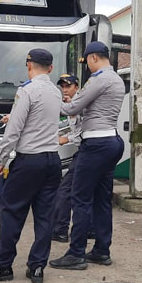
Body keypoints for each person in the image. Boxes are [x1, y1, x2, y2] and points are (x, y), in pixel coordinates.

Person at [0, 48, 62, 283]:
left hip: (29, 161)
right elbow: (42, 120)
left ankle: (3, 266)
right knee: (44, 216)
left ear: (28, 65)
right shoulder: (56, 92)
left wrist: (1, 160)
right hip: (52, 160)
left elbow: (14, 130)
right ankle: (37, 266)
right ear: (51, 68)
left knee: (11, 212)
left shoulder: (27, 91)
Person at [49, 41, 125, 271]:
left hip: (96, 144)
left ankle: (76, 253)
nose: (87, 67)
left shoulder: (100, 78)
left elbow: (73, 108)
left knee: (79, 197)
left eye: (86, 62)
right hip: (111, 141)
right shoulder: (117, 79)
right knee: (101, 200)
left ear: (93, 58)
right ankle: (102, 250)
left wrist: (47, 102)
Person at [51, 73, 90, 243]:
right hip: (86, 152)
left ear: (77, 87)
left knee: (65, 190)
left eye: (68, 86)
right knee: (88, 193)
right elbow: (68, 125)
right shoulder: (71, 105)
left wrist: (66, 139)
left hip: (86, 151)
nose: (65, 90)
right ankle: (91, 229)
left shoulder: (81, 104)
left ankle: (60, 230)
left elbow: (85, 130)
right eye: (63, 87)